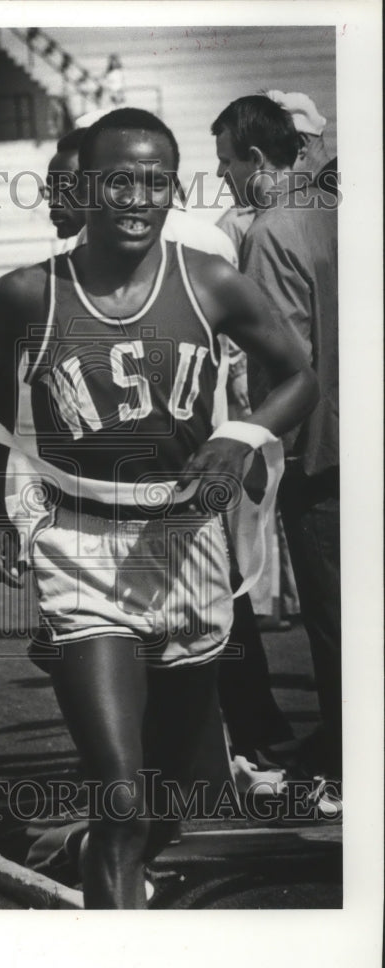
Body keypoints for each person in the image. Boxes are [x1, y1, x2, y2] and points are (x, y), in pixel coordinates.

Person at [0, 108, 318, 908]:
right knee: (123, 791)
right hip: (81, 546)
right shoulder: (28, 294)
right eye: (117, 179)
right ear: (81, 187)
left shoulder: (209, 282)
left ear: (176, 188)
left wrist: (240, 435)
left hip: (187, 544)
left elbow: (301, 376)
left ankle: (97, 845)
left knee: (175, 802)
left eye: (155, 180)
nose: (136, 196)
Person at [212, 96, 341, 783]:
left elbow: (288, 362)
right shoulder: (342, 206)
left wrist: (255, 450)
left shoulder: (271, 229)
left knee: (337, 620)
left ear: (257, 162)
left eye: (227, 166)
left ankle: (351, 762)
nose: (225, 181)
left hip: (322, 455)